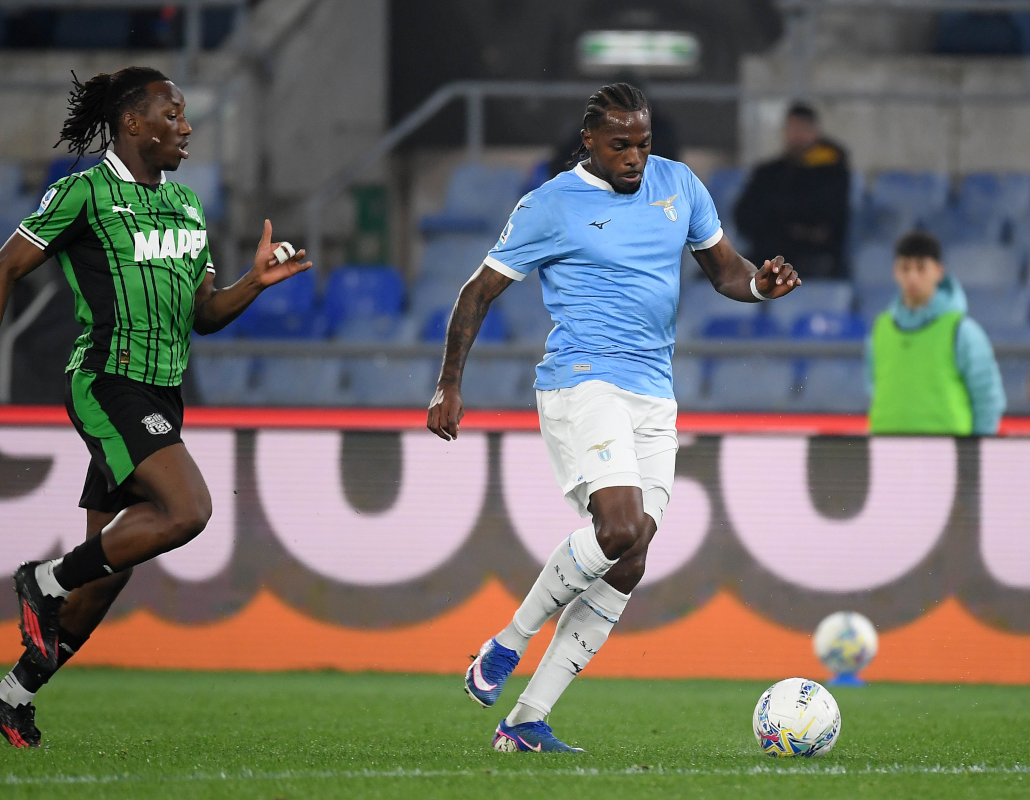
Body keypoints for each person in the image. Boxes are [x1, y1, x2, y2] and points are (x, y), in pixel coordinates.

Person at [426, 82, 802, 753]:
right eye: (620, 144)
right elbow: (477, 293)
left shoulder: (679, 186)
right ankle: (506, 645)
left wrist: (760, 286)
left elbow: (724, 272)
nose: (635, 156)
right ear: (590, 142)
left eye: (643, 143)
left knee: (630, 559)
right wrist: (448, 385)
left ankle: (524, 724)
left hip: (654, 393)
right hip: (582, 381)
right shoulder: (550, 205)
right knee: (619, 526)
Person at [0, 66, 312, 747]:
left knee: (109, 570)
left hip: (163, 393)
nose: (185, 126)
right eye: (172, 114)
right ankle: (42, 580)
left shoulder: (185, 207)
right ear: (132, 124)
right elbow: (2, 270)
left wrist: (253, 284)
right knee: (188, 511)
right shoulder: (84, 195)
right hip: (106, 383)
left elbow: (204, 315)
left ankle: (13, 694)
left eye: (183, 115)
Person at [866, 230, 1005, 435]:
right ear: (895, 271)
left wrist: (974, 455)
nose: (912, 277)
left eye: (921, 268)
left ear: (939, 271)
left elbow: (988, 400)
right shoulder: (881, 328)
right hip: (886, 451)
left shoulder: (962, 331)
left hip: (947, 455)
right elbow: (873, 386)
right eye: (905, 268)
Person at [734, 102, 851, 280]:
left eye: (803, 128)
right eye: (792, 128)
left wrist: (785, 221)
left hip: (814, 256)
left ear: (815, 132)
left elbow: (827, 219)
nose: (797, 135)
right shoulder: (768, 173)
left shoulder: (832, 172)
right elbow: (745, 214)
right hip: (768, 252)